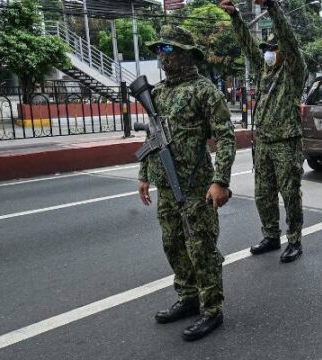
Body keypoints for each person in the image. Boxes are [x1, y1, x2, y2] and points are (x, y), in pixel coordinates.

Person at [137, 25, 236, 341]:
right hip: (166, 186)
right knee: (173, 245)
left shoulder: (204, 91)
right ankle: (189, 297)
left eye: (167, 50)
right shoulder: (158, 93)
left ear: (184, 54)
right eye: (159, 51)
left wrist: (220, 180)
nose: (161, 56)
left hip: (195, 187)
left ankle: (211, 309)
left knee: (201, 248)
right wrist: (143, 175)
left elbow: (225, 136)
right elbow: (152, 138)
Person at [220, 0, 308, 263]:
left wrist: (272, 6)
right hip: (264, 144)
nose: (269, 52)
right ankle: (271, 235)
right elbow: (248, 46)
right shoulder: (263, 71)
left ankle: (294, 241)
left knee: (290, 194)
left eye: (273, 48)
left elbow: (289, 40)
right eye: (266, 49)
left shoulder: (293, 71)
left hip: (286, 144)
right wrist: (235, 17)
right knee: (263, 194)